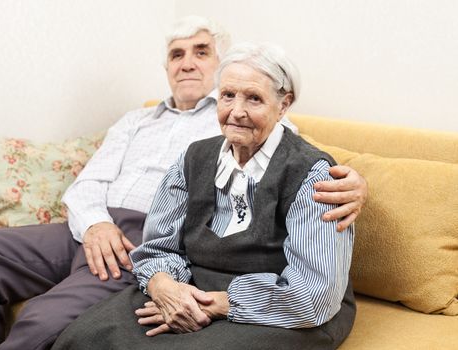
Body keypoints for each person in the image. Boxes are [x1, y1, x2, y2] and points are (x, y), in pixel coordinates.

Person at [0, 16, 365, 350]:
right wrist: (106, 233)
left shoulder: (267, 129)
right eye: (177, 54)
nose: (188, 62)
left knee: (46, 322)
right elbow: (89, 183)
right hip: (93, 227)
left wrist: (357, 183)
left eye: (201, 51)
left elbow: (301, 164)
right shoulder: (141, 122)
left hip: (141, 240)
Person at [52, 41, 356, 350]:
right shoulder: (193, 159)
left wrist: (216, 304)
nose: (237, 112)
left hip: (284, 306)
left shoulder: (311, 173)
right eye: (227, 96)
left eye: (253, 99)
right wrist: (164, 286)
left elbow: (315, 294)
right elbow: (157, 248)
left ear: (284, 105)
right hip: (190, 286)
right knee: (84, 336)